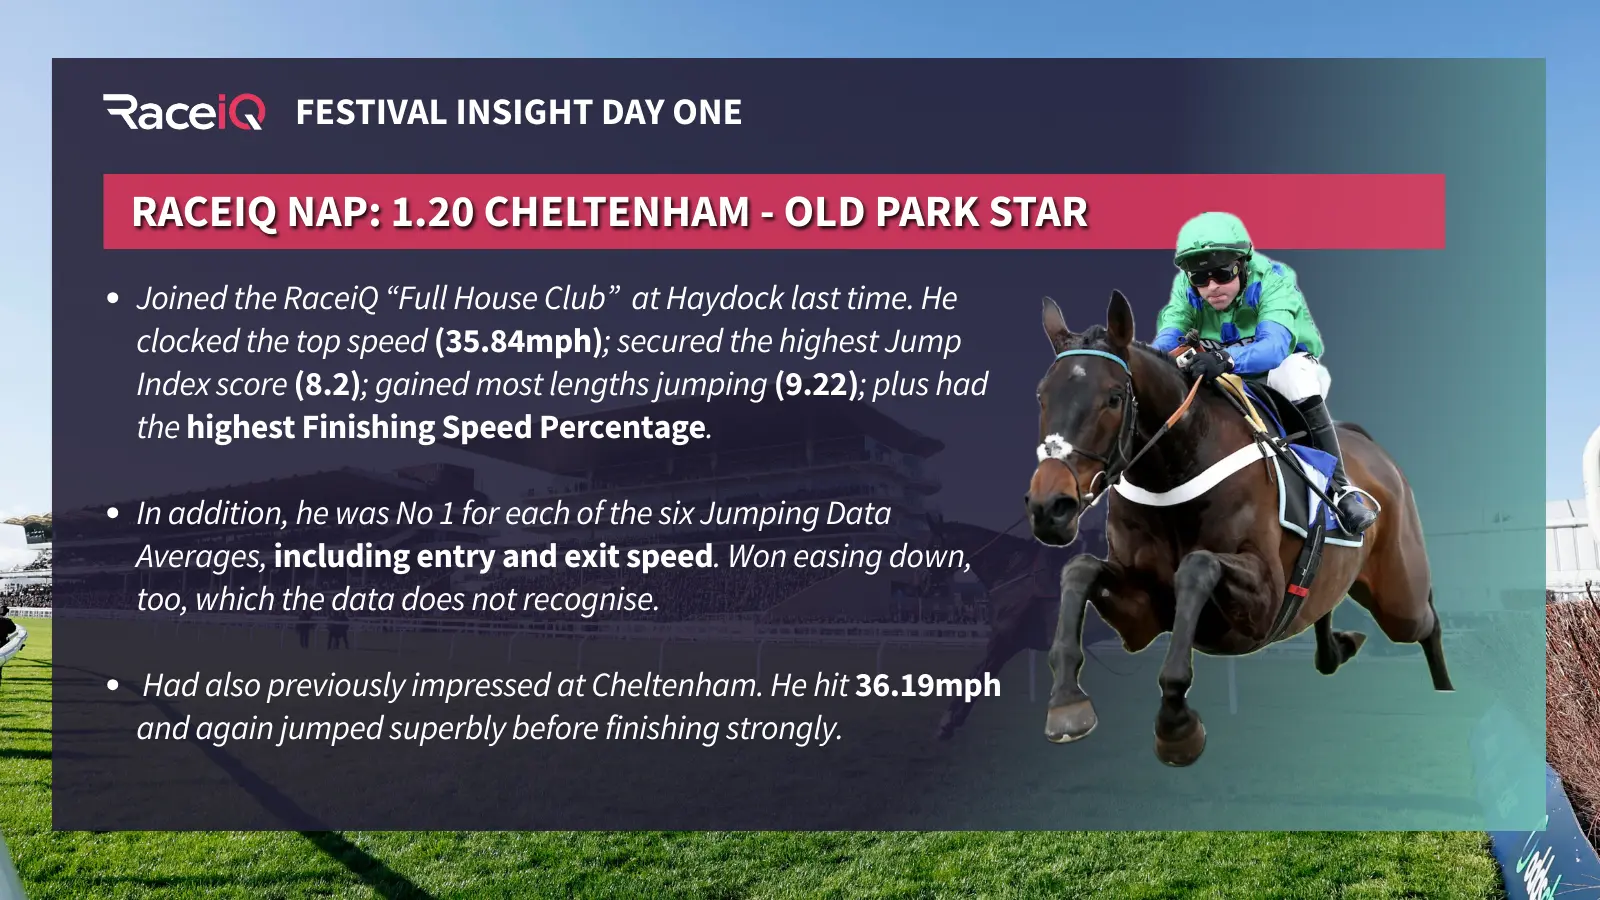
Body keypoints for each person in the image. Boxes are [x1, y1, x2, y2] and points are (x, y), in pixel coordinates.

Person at [1151, 211, 1377, 535]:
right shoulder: (1185, 289)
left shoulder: (1274, 280)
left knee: (1293, 375)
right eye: (1200, 278)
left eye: (1222, 274)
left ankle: (1341, 491)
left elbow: (1274, 347)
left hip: (1283, 368)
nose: (1212, 287)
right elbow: (1165, 342)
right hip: (1229, 373)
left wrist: (1226, 358)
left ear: (1242, 264)